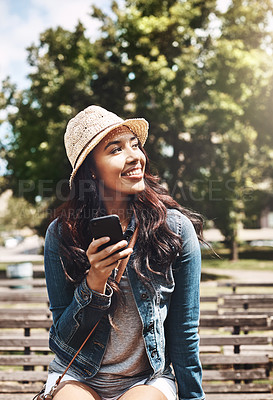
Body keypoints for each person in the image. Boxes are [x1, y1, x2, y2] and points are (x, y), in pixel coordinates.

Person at [43, 105, 205, 400]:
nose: (135, 157)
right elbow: (62, 340)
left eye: (135, 145)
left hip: (148, 379)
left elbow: (185, 333)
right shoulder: (61, 234)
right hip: (79, 375)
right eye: (116, 149)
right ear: (91, 168)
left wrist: (194, 398)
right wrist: (95, 282)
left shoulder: (175, 230)